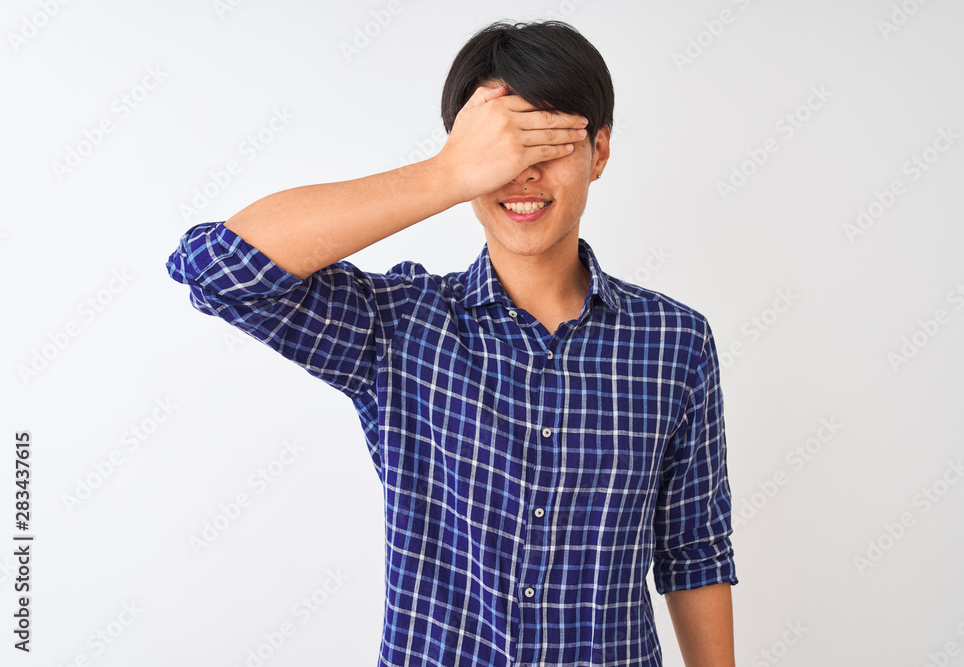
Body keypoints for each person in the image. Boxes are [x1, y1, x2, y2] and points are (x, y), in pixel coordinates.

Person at [166, 19, 737, 667]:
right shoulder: (402, 325)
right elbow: (216, 270)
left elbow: (694, 548)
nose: (521, 174)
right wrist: (448, 172)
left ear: (598, 152)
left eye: (544, 141)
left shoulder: (675, 342)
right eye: (499, 147)